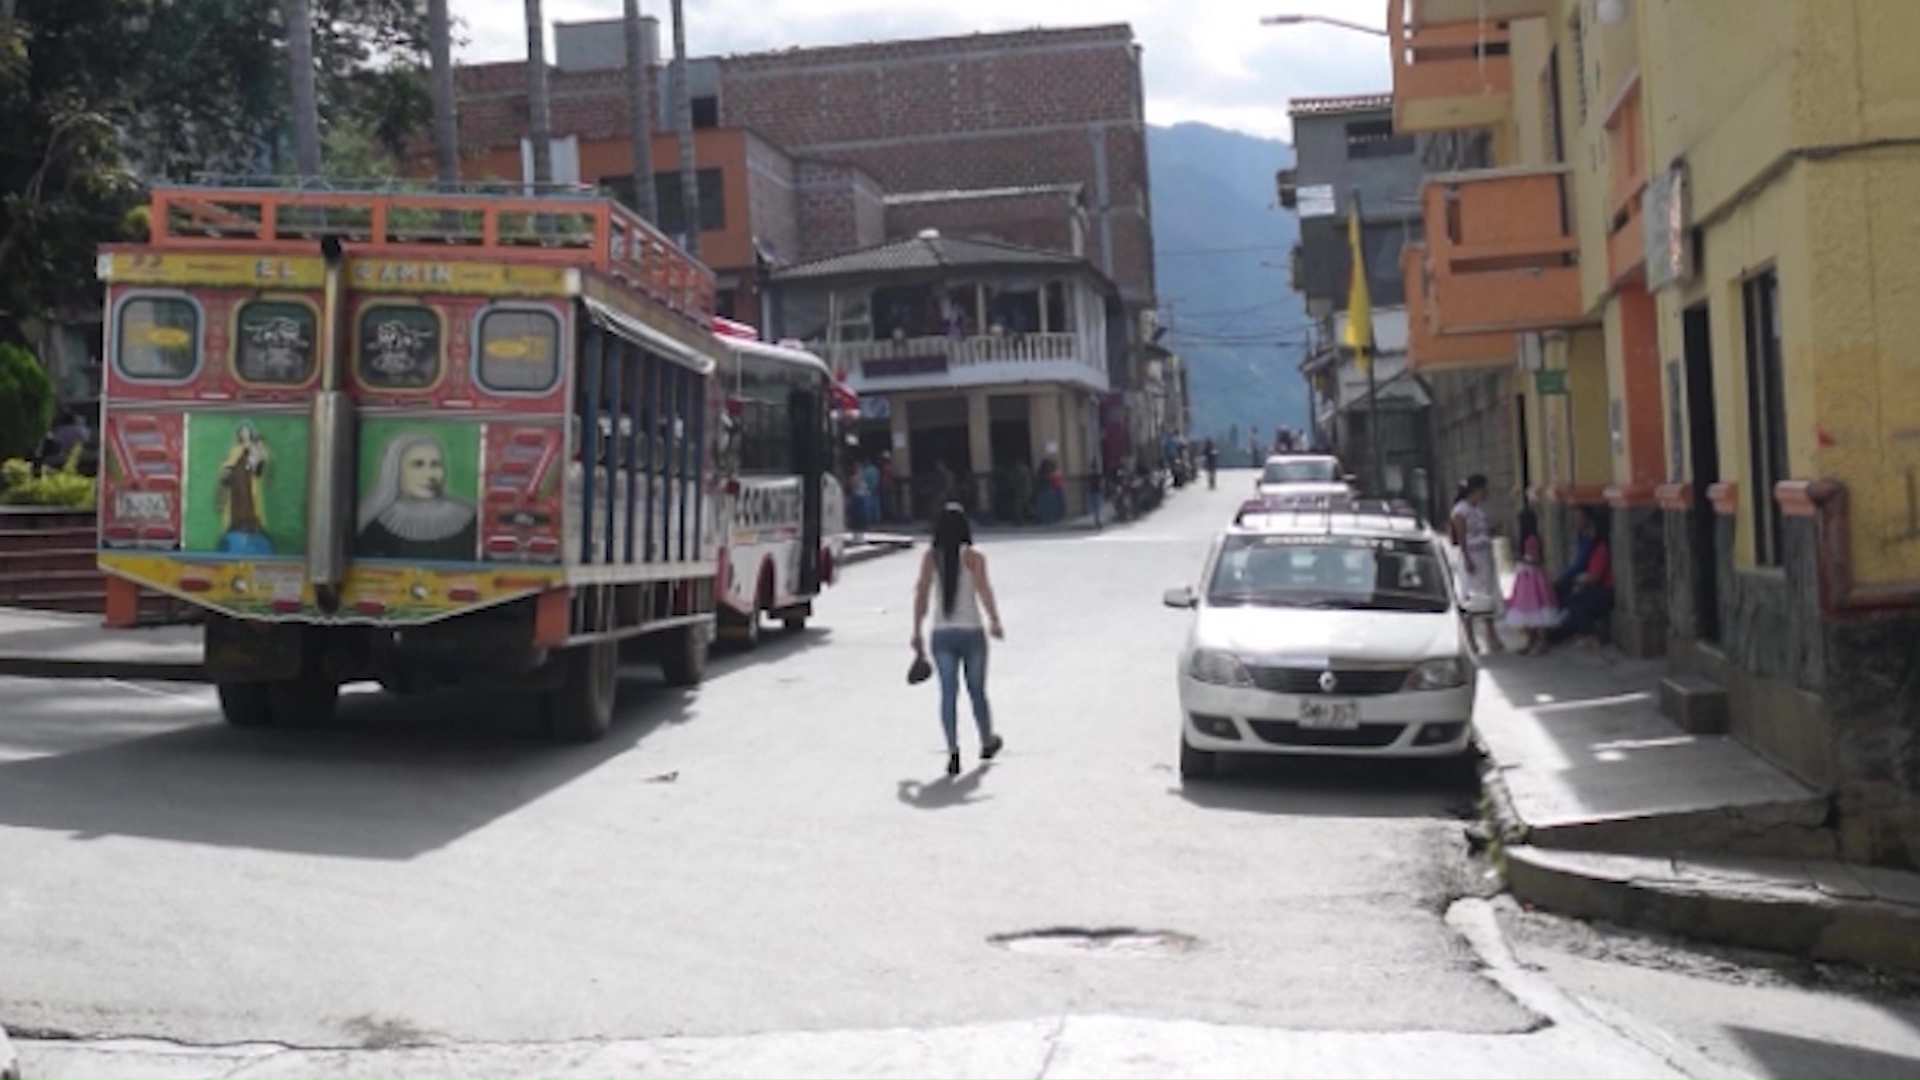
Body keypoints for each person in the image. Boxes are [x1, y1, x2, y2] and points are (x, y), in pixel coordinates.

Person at [911, 505, 1006, 778]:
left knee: (948, 694)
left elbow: (921, 594)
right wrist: (994, 620)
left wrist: (917, 630)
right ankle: (987, 741)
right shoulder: (974, 557)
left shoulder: (931, 558)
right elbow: (983, 589)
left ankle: (953, 752)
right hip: (972, 632)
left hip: (942, 634)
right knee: (977, 691)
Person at [356, 433, 478, 561]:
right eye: (418, 465)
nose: (430, 475)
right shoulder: (376, 528)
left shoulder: (470, 518)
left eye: (435, 464)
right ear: (395, 470)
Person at [1449, 474, 1503, 654]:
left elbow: (1482, 529)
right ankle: (1470, 639)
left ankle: (1491, 635)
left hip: (1484, 554)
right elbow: (1461, 537)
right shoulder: (1460, 510)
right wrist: (1467, 559)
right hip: (1472, 556)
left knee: (1487, 596)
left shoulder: (1478, 509)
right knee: (1471, 599)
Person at [1550, 506, 1615, 646]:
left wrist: (1577, 579)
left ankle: (1589, 634)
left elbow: (1593, 576)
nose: (1575, 522)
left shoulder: (1599, 547)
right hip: (1590, 585)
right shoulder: (1584, 539)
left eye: (1578, 518)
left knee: (1576, 600)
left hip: (1603, 590)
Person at [215, 422, 273, 555]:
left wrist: (256, 461)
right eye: (242, 432)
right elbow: (228, 465)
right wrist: (227, 472)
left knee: (250, 503)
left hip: (249, 484)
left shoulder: (255, 448)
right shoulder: (235, 450)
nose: (244, 434)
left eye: (246, 431)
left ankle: (251, 523)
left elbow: (260, 467)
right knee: (237, 504)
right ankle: (236, 523)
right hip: (236, 485)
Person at [1504, 533, 1560, 655]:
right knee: (1532, 615)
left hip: (1533, 583)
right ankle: (1533, 640)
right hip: (1528, 583)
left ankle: (1541, 641)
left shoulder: (1532, 543)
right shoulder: (1530, 543)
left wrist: (1524, 560)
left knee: (1539, 613)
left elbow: (1536, 559)